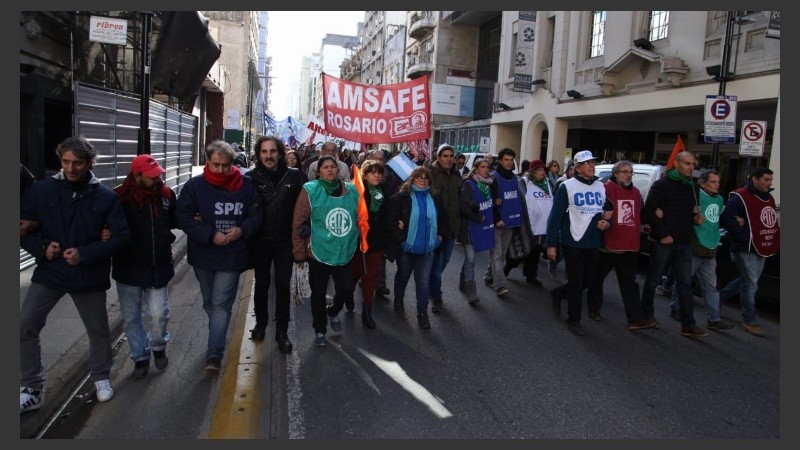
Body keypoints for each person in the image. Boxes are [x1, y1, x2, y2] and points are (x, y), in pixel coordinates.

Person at [20, 136, 131, 412]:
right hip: (50, 272)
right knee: (24, 326)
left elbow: (121, 237)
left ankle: (101, 377)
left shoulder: (106, 197)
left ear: (90, 163)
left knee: (98, 331)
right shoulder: (41, 190)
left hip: (87, 274)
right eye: (66, 162)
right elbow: (22, 228)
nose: (71, 168)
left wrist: (86, 253)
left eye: (77, 163)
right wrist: (43, 248)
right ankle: (32, 388)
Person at [176, 140, 263, 372]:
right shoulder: (194, 186)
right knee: (210, 303)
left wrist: (242, 229)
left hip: (232, 255)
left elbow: (256, 214)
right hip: (204, 254)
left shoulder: (246, 185)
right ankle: (218, 330)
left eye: (226, 166)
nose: (221, 171)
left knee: (221, 304)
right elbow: (182, 217)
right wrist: (209, 234)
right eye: (216, 165)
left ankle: (214, 354)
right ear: (208, 162)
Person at [111, 154, 178, 379]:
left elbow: (176, 219)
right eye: (151, 176)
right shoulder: (118, 197)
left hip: (158, 266)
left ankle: (158, 347)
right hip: (128, 268)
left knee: (159, 315)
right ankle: (140, 357)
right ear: (136, 175)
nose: (157, 179)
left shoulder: (167, 195)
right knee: (131, 318)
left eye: (158, 174)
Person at [292, 156, 361, 347]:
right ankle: (320, 328)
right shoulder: (310, 190)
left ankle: (333, 311)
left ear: (338, 171)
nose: (330, 170)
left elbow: (357, 218)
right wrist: (298, 253)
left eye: (333, 167)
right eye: (325, 167)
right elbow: (298, 223)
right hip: (318, 252)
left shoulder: (352, 191)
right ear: (318, 172)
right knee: (319, 293)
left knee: (347, 289)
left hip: (344, 250)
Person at [641, 151, 708, 338]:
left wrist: (695, 218)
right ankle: (646, 315)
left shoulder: (692, 187)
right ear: (676, 164)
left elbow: (688, 214)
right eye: (687, 163)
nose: (691, 167)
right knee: (653, 280)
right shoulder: (661, 184)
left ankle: (688, 324)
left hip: (683, 242)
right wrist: (663, 234)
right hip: (663, 242)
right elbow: (649, 211)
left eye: (693, 164)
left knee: (685, 284)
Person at [248, 136, 304, 353]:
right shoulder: (251, 177)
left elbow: (306, 206)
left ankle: (282, 331)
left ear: (280, 153)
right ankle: (261, 324)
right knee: (261, 284)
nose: (268, 156)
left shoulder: (295, 175)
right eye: (264, 151)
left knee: (283, 285)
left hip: (285, 242)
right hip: (260, 241)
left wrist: (304, 231)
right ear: (259, 154)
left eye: (272, 151)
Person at [585, 160, 657, 330]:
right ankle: (594, 308)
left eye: (630, 172)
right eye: (624, 171)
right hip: (608, 244)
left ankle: (635, 319)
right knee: (596, 278)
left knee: (629, 283)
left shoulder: (637, 193)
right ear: (616, 173)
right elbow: (596, 212)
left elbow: (642, 215)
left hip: (629, 245)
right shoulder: (605, 189)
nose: (628, 175)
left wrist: (657, 213)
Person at [545, 150, 610, 336]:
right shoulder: (567, 186)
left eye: (592, 162)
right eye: (587, 163)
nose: (591, 166)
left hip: (593, 241)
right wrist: (551, 244)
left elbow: (607, 210)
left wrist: (608, 222)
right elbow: (555, 217)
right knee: (576, 281)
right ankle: (574, 319)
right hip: (572, 241)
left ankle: (559, 293)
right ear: (577, 168)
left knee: (588, 280)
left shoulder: (600, 186)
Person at [665, 169, 733, 331]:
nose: (717, 185)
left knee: (711, 287)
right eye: (713, 182)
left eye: (718, 182)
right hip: (694, 248)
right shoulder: (695, 197)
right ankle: (676, 307)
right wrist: (693, 218)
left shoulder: (719, 199)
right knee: (684, 281)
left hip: (710, 249)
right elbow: (682, 218)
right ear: (702, 183)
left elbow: (717, 221)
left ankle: (713, 318)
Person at [720, 167, 780, 337]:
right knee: (751, 283)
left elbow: (767, 221)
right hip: (745, 247)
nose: (769, 183)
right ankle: (749, 320)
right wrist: (748, 237)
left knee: (748, 280)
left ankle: (719, 299)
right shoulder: (739, 197)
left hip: (762, 245)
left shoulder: (768, 198)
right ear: (755, 179)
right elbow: (728, 219)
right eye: (766, 179)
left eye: (770, 179)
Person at [386, 166, 447, 329]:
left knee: (423, 281)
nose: (423, 180)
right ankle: (398, 298)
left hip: (428, 249)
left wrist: (439, 238)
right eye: (419, 177)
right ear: (413, 179)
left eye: (425, 178)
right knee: (403, 274)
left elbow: (443, 220)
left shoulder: (435, 197)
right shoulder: (400, 198)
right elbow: (391, 223)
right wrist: (402, 241)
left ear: (430, 181)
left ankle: (422, 313)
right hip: (406, 248)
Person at [350, 160, 388, 328]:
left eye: (379, 172)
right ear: (365, 175)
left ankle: (367, 311)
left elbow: (389, 215)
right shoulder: (356, 191)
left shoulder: (384, 192)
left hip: (376, 242)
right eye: (373, 172)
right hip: (358, 241)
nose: (377, 175)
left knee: (370, 276)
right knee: (353, 276)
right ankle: (343, 299)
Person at [504, 159, 553, 287]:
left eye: (543, 170)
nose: (542, 172)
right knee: (519, 252)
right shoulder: (523, 183)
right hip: (526, 225)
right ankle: (505, 270)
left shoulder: (548, 184)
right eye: (539, 170)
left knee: (535, 253)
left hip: (542, 227)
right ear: (532, 172)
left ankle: (531, 276)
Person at [483, 147, 524, 296]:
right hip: (497, 223)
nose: (509, 162)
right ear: (500, 161)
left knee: (501, 255)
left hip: (510, 223)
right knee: (497, 254)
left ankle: (488, 276)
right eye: (506, 160)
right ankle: (499, 285)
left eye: (511, 160)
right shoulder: (493, 178)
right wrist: (497, 219)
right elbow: (490, 201)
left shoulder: (514, 178)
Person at [427, 143, 462, 312]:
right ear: (438, 157)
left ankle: (430, 287)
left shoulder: (457, 174)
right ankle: (437, 297)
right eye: (445, 156)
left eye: (451, 156)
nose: (449, 159)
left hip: (452, 227)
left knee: (443, 263)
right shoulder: (430, 174)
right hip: (436, 227)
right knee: (437, 262)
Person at [458, 158, 495, 304]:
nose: (486, 169)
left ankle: (463, 281)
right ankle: (471, 291)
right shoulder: (469, 184)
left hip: (483, 227)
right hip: (469, 227)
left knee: (469, 259)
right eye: (483, 167)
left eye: (488, 167)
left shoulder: (490, 184)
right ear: (475, 169)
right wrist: (477, 217)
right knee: (471, 258)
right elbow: (463, 206)